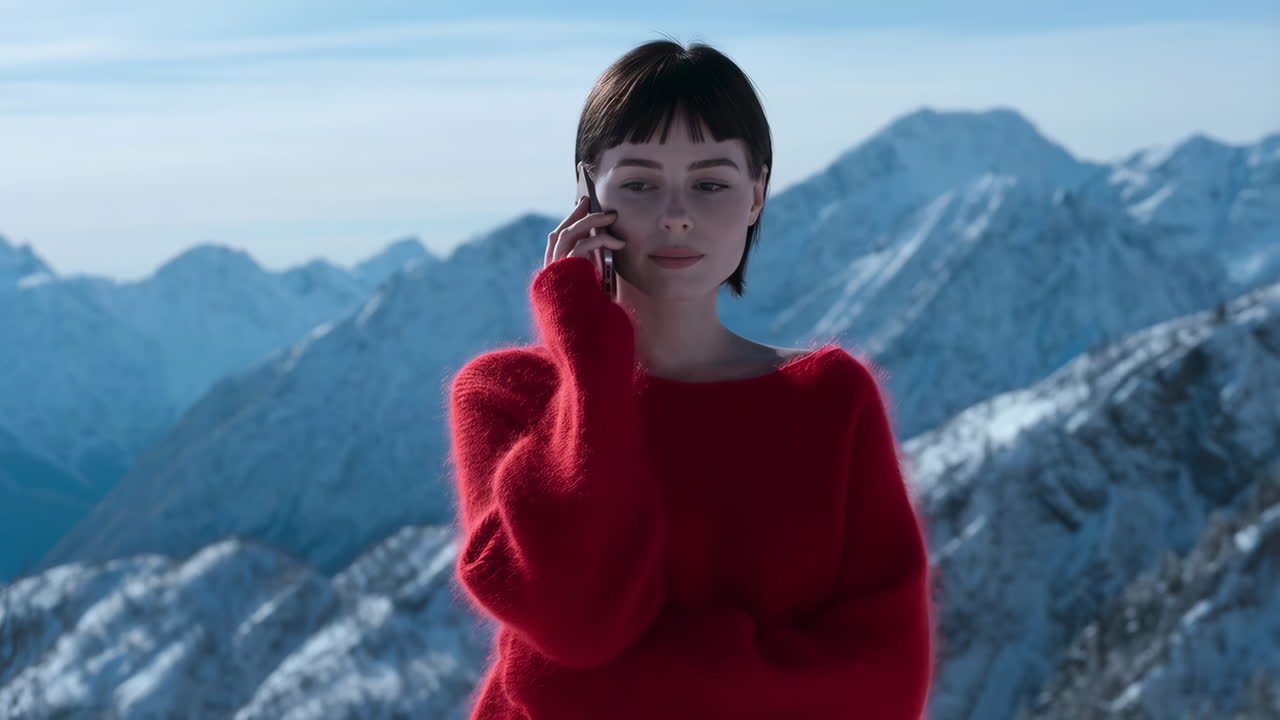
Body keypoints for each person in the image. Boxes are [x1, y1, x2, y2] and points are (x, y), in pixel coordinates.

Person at [447, 36, 936, 719]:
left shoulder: (830, 403)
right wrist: (588, 354)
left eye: (710, 183)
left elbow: (883, 685)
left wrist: (588, 688)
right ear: (589, 193)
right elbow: (576, 621)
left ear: (757, 194)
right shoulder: (507, 399)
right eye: (641, 183)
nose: (676, 213)